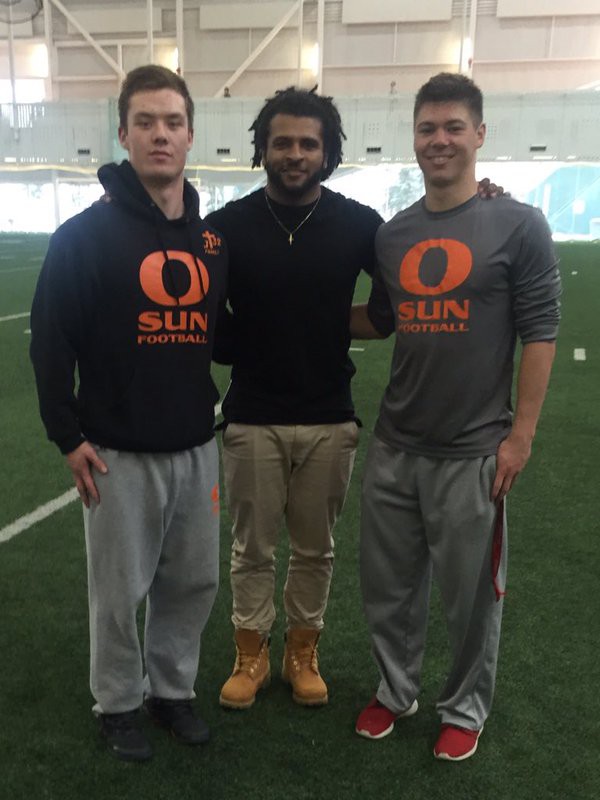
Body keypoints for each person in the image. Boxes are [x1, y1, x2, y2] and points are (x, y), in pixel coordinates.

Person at [351, 72, 561, 761]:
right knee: (388, 589)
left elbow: (541, 332)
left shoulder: (518, 223)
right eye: (426, 128)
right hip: (394, 444)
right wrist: (283, 316)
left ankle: (465, 708)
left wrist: (519, 437)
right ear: (412, 138)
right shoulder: (394, 235)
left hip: (473, 450)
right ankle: (393, 691)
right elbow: (381, 322)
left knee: (472, 601)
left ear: (478, 134)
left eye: (452, 127)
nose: (438, 141)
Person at [30, 65, 228, 762]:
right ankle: (117, 702)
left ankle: (172, 693)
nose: (160, 135)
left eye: (173, 122)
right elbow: (51, 341)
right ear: (123, 134)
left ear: (190, 134)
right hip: (117, 451)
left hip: (196, 446)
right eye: (145, 122)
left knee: (194, 582)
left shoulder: (210, 241)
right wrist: (68, 437)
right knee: (118, 593)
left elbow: (223, 334)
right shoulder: (84, 237)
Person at [206, 87, 384, 709]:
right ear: (263, 147)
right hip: (252, 416)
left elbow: (387, 311)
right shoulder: (224, 228)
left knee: (315, 548)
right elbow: (206, 322)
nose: (295, 153)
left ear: (328, 150)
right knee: (251, 548)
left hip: (330, 417)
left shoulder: (362, 224)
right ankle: (249, 654)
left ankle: (301, 652)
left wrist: (330, 322)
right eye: (282, 141)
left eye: (309, 142)